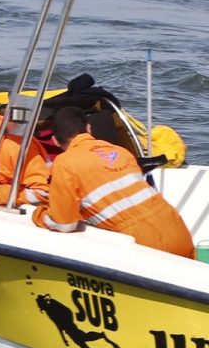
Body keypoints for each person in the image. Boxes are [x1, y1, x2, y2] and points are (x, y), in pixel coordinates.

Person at [30, 109, 195, 256]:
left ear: (55, 141)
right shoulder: (121, 152)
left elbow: (65, 225)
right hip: (177, 228)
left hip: (143, 242)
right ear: (88, 128)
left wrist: (40, 215)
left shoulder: (65, 163)